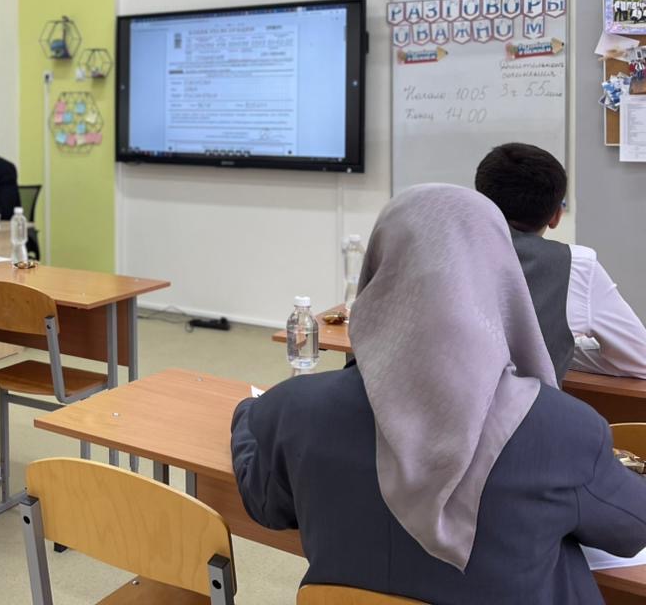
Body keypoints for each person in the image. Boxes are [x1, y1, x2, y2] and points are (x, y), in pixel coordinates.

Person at [232, 184, 646, 604]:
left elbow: (264, 502)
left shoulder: (294, 410)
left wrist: (249, 413)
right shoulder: (566, 431)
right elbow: (632, 530)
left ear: (377, 271)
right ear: (502, 279)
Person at [475, 142, 646, 380]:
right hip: (530, 402)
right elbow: (639, 358)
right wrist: (560, 349)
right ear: (556, 216)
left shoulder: (440, 252)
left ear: (479, 203)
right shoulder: (576, 265)